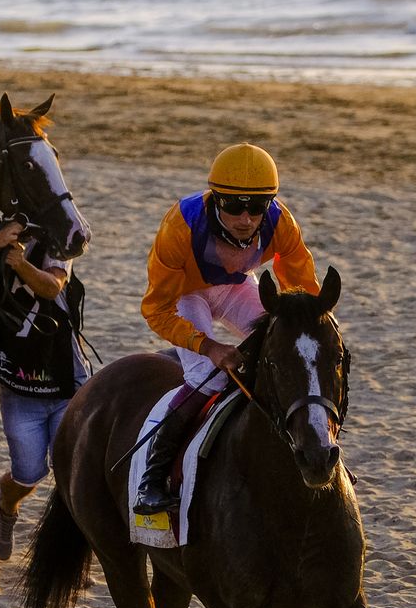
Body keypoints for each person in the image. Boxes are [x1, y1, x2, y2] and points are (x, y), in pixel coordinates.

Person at [133, 143, 320, 515]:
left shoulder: (282, 223)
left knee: (291, 348)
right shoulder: (180, 227)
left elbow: (304, 293)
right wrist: (209, 347)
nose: (246, 218)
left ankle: (311, 447)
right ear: (215, 199)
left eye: (257, 206)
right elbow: (156, 310)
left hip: (235, 285)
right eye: (234, 205)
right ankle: (151, 480)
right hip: (186, 294)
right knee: (210, 376)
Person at [0, 220, 91, 560]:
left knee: (72, 472)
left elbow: (53, 286)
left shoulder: (62, 236)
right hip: (19, 383)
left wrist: (21, 264)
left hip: (67, 378)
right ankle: (6, 508)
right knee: (27, 474)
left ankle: (70, 557)